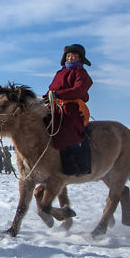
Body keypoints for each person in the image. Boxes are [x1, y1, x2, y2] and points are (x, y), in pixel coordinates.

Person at [47, 44, 93, 175]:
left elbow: (79, 89)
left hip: (71, 108)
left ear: (80, 58)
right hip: (54, 106)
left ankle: (76, 164)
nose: (70, 57)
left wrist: (59, 94)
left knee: (69, 127)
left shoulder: (81, 73)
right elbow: (52, 88)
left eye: (73, 55)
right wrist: (48, 96)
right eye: (68, 55)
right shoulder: (60, 73)